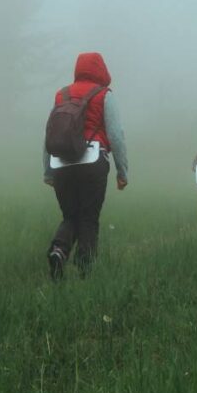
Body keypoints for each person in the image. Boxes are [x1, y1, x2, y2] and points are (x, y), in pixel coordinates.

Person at [44, 52, 128, 280]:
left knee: (70, 215)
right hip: (93, 161)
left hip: (61, 164)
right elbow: (116, 135)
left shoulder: (62, 95)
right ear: (102, 70)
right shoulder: (104, 95)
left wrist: (48, 171)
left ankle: (59, 250)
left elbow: (50, 133)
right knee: (89, 217)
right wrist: (122, 171)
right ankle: (85, 272)